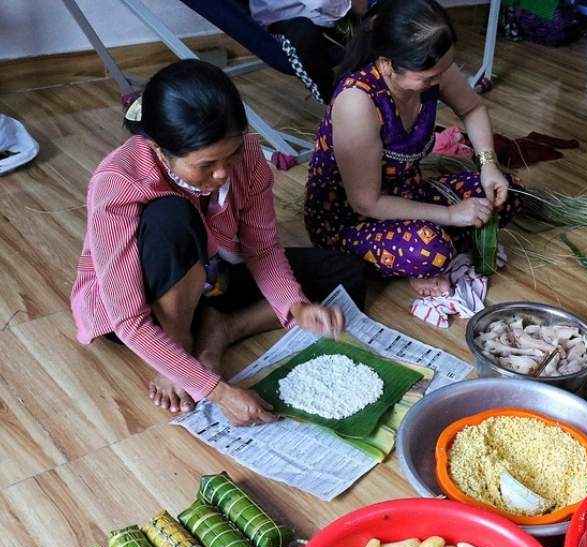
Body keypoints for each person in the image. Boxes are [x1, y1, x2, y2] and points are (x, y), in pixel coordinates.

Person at [71, 59, 365, 426]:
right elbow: (128, 319)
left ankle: (223, 328)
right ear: (162, 151)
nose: (223, 172)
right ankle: (179, 350)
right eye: (206, 164)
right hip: (143, 308)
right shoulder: (119, 181)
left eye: (233, 154)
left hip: (211, 277)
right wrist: (216, 390)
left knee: (347, 274)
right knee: (171, 218)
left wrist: (295, 306)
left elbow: (261, 248)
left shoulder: (250, 155)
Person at [304, 0, 520, 298]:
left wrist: (488, 165)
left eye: (442, 71)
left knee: (506, 192)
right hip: (351, 221)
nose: (439, 80)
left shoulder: (434, 67)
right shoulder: (358, 102)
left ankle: (417, 256)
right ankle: (419, 256)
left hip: (408, 194)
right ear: (386, 64)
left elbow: (472, 108)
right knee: (432, 248)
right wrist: (451, 214)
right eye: (429, 77)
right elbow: (366, 203)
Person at [250, 0, 368, 102]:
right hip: (282, 22)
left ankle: (366, 77)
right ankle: (330, 96)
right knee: (303, 32)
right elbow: (323, 3)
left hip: (322, 16)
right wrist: (352, 4)